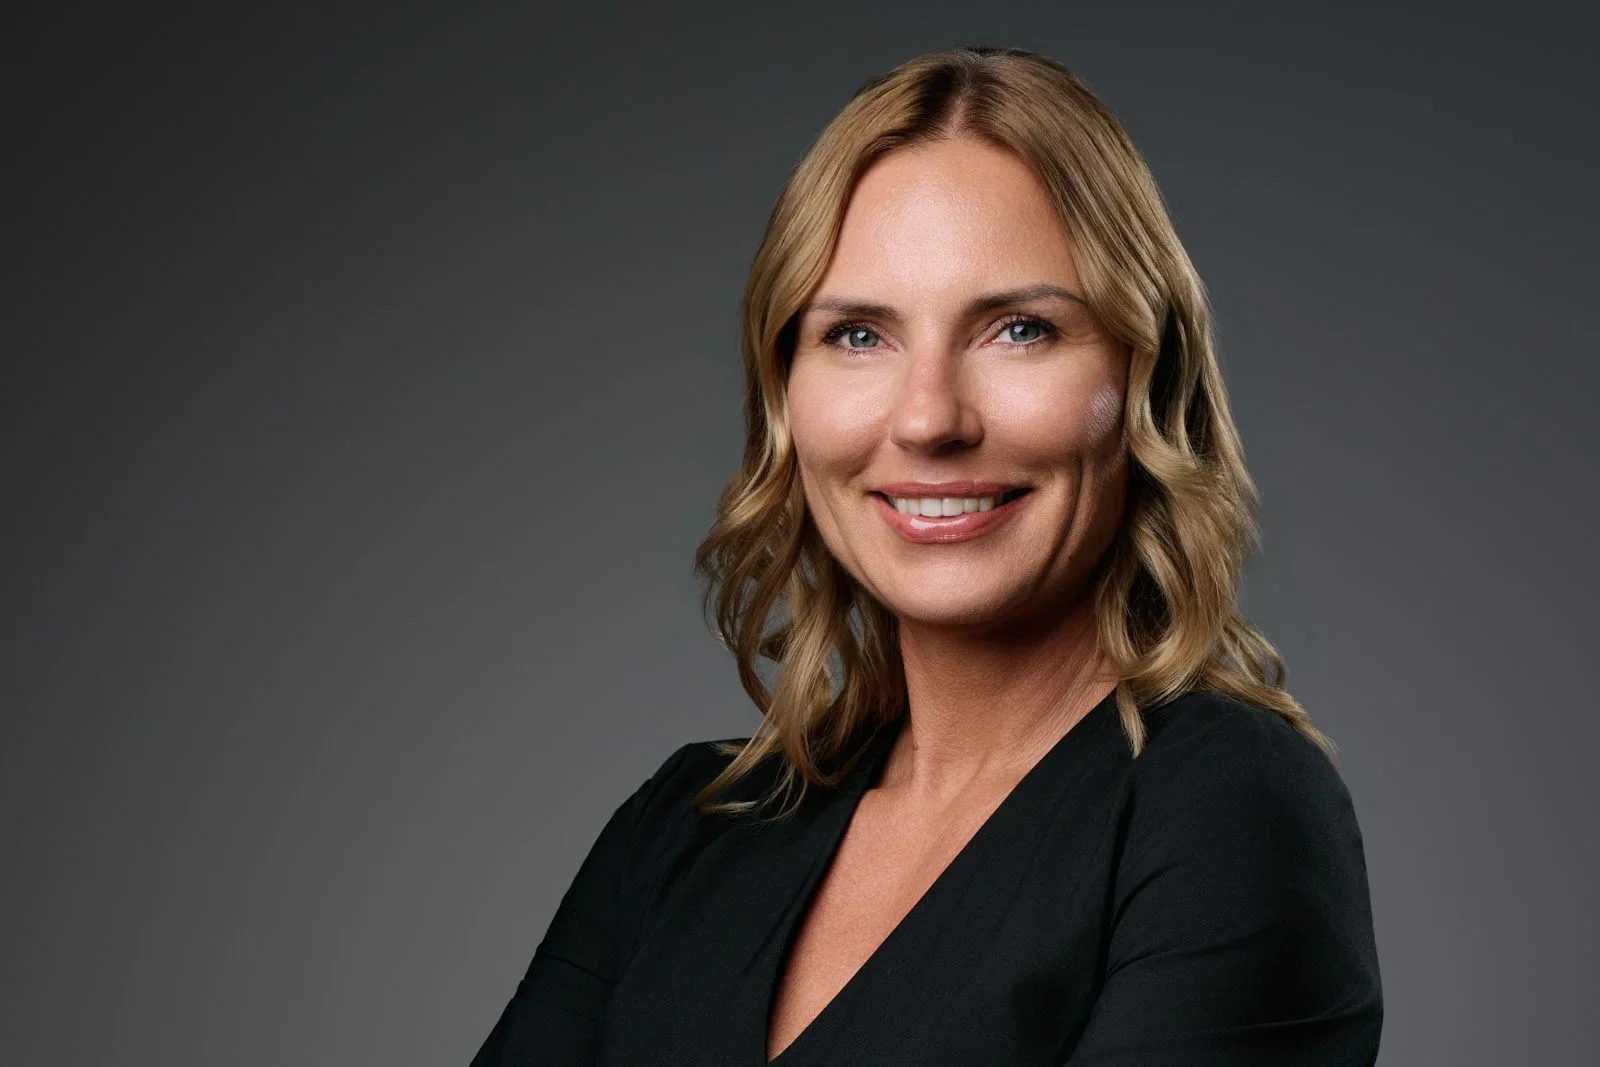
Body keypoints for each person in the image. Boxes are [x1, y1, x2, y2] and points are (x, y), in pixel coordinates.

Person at [468, 45, 1383, 1066]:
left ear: (1144, 377)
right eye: (859, 335)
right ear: (785, 390)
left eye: (1019, 329)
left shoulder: (1227, 807)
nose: (928, 418)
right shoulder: (690, 825)